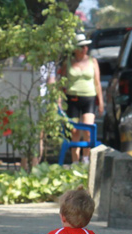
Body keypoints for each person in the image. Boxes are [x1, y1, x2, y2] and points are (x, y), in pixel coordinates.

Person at [59, 33, 104, 163]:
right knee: (74, 132)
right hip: (72, 98)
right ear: (75, 49)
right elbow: (61, 83)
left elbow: (97, 82)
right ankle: (75, 162)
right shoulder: (67, 62)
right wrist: (59, 101)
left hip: (88, 98)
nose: (84, 49)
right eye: (81, 46)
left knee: (88, 129)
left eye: (85, 46)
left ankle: (85, 159)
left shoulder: (92, 61)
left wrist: (100, 102)